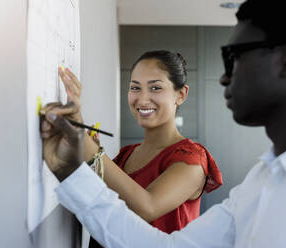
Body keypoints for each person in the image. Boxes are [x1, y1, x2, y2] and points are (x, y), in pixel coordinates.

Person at [41, 0, 286, 247]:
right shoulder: (259, 183)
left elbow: (149, 208)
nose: (224, 77)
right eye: (135, 86)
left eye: (234, 57)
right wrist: (69, 171)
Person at [42, 51, 223, 247]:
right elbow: (99, 206)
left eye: (155, 88)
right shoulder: (125, 155)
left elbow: (148, 207)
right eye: (135, 88)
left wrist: (94, 156)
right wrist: (77, 155)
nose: (143, 99)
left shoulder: (192, 159)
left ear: (181, 94)